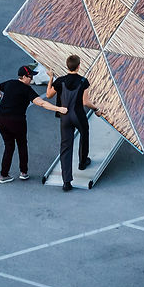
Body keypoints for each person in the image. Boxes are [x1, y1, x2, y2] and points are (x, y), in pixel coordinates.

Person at [0, 66, 67, 184]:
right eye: (30, 76)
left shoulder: (9, 83)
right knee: (22, 144)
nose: (32, 78)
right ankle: (23, 172)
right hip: (17, 122)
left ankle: (3, 175)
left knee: (9, 146)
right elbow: (42, 103)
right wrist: (59, 109)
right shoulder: (27, 90)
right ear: (23, 77)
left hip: (1, 120)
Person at [47, 55, 104, 191]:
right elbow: (86, 102)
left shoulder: (60, 81)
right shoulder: (83, 81)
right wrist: (97, 108)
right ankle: (83, 162)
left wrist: (50, 78)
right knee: (84, 134)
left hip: (65, 116)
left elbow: (48, 95)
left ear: (67, 66)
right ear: (79, 66)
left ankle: (66, 182)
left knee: (66, 147)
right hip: (78, 116)